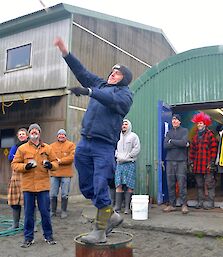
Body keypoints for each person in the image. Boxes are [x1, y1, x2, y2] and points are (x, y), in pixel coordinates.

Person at [54, 37, 133, 244]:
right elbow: (82, 72)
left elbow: (113, 101)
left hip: (104, 146)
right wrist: (65, 53)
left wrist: (90, 92)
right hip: (85, 143)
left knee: (100, 184)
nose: (112, 74)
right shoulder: (100, 84)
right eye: (112, 71)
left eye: (117, 73)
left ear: (124, 79)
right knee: (87, 186)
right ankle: (112, 215)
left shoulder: (125, 94)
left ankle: (100, 231)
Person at [11, 123, 58, 248]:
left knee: (45, 212)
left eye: (36, 130)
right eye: (32, 130)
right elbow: (14, 164)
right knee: (28, 213)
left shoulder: (47, 148)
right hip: (28, 186)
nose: (34, 132)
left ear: (39, 133)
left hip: (43, 186)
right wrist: (25, 167)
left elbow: (55, 162)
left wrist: (50, 165)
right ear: (29, 133)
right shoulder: (22, 149)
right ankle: (28, 238)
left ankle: (48, 236)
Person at [189, 112, 218, 209]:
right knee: (199, 184)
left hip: (207, 164)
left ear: (205, 124)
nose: (199, 125)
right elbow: (192, 150)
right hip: (198, 164)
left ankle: (210, 202)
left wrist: (212, 162)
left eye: (201, 123)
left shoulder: (210, 135)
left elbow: (214, 149)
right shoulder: (195, 137)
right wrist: (191, 162)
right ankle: (200, 202)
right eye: (198, 123)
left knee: (210, 184)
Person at [163, 114, 189, 214]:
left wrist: (172, 142)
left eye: (176, 120)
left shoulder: (184, 131)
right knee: (170, 183)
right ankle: (172, 205)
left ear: (180, 122)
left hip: (181, 160)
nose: (174, 121)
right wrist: (177, 143)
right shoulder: (169, 132)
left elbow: (184, 143)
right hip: (169, 160)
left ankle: (184, 205)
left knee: (182, 183)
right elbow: (165, 145)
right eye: (173, 120)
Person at [114, 119, 141, 214]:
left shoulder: (134, 136)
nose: (124, 126)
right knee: (118, 184)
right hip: (119, 164)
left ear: (129, 126)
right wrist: (118, 155)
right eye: (122, 124)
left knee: (130, 185)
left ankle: (127, 207)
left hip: (130, 163)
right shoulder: (117, 136)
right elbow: (114, 148)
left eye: (126, 124)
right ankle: (117, 207)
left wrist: (129, 156)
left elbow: (137, 148)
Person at [49, 129, 76, 219]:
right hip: (54, 173)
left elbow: (72, 157)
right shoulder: (51, 146)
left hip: (66, 173)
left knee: (65, 194)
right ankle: (53, 211)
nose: (61, 136)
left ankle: (64, 211)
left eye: (63, 135)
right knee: (53, 193)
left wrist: (61, 160)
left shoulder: (71, 145)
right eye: (59, 134)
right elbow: (49, 157)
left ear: (65, 136)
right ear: (57, 136)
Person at [7, 128, 29, 229]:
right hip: (16, 175)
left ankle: (30, 225)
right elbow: (10, 158)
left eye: (23, 134)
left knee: (29, 201)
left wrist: (19, 158)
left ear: (27, 135)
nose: (21, 136)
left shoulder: (30, 146)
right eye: (19, 134)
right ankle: (15, 224)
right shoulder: (14, 146)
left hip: (28, 175)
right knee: (15, 200)